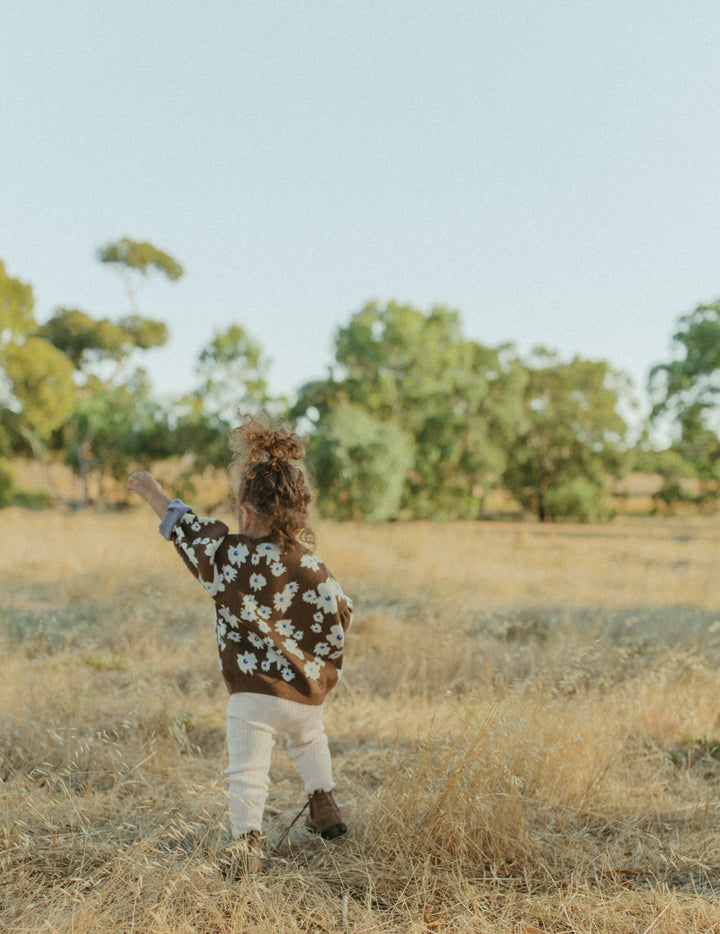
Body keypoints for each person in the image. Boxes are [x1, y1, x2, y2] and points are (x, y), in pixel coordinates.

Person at [127, 414, 353, 872]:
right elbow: (343, 608)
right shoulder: (312, 563)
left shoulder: (226, 555)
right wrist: (310, 649)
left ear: (244, 513)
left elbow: (186, 529)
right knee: (310, 739)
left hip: (252, 697)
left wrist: (153, 492)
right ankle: (324, 805)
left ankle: (247, 845)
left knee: (247, 769)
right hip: (307, 694)